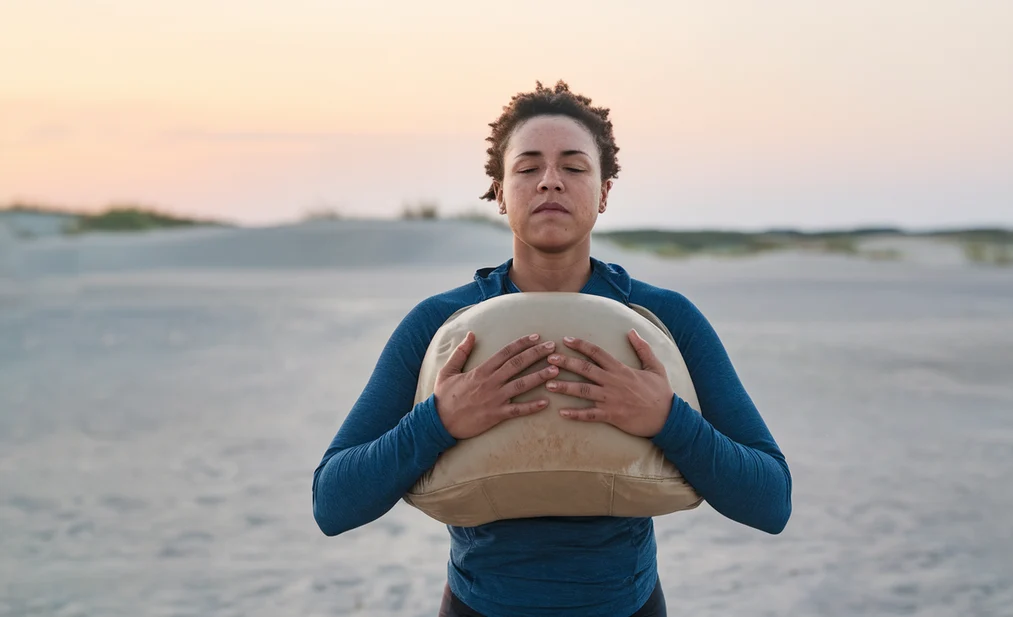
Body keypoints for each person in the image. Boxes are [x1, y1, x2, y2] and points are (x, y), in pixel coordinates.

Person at [312, 80, 792, 617]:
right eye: (527, 167)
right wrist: (439, 420)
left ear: (604, 191)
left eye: (574, 166)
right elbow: (332, 502)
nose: (549, 183)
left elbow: (771, 500)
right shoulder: (441, 324)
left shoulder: (663, 319)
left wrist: (665, 417)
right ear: (499, 191)